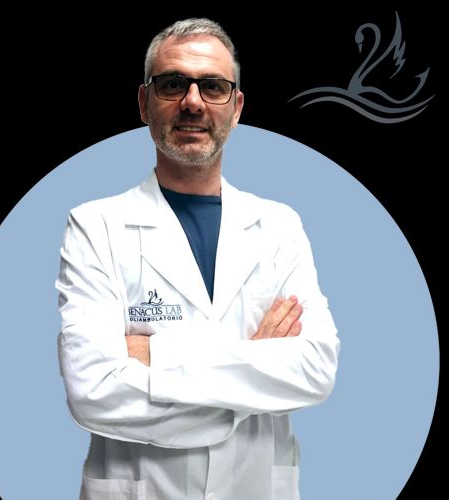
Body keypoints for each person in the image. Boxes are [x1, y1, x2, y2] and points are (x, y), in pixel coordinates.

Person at [56, 18, 340, 500]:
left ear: (237, 107)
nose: (192, 102)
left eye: (213, 86)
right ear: (144, 103)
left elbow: (315, 369)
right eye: (173, 84)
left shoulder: (279, 226)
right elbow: (93, 392)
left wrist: (156, 355)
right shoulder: (94, 226)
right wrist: (253, 373)